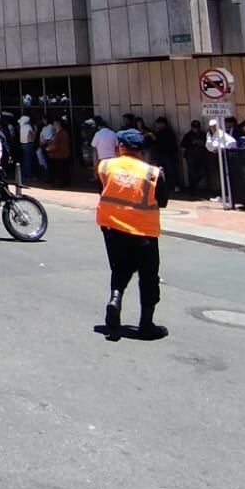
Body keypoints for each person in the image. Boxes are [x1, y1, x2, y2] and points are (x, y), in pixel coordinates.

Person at [96, 129, 169, 341]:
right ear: (140, 150)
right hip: (144, 232)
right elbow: (162, 201)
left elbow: (101, 189)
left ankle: (115, 298)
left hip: (112, 228)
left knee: (119, 269)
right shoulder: (153, 173)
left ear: (120, 147)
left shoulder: (105, 166)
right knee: (148, 277)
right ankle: (146, 325)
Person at [181, 119, 207, 192]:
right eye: (194, 128)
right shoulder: (188, 135)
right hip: (190, 156)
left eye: (197, 127)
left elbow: (207, 144)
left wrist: (202, 143)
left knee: (202, 173)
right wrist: (192, 143)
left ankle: (194, 185)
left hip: (201, 156)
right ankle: (192, 189)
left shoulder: (203, 134)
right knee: (191, 173)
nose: (196, 129)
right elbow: (183, 144)